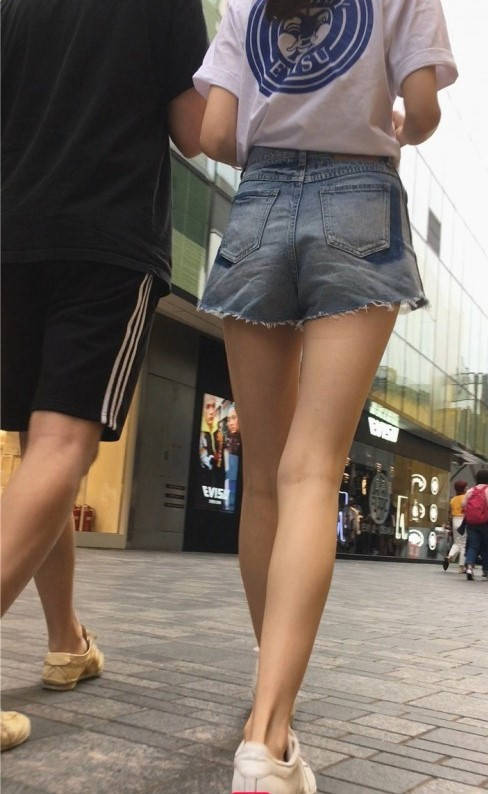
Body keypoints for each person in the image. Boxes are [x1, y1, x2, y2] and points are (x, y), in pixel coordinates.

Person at [193, 0, 457, 789]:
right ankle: (266, 741)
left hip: (259, 204)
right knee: (312, 471)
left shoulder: (244, 6)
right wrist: (397, 125)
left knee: (265, 479)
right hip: (359, 194)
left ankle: (267, 707)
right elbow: (424, 110)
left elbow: (214, 132)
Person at [1, 0, 207, 751]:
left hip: (14, 237)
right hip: (106, 237)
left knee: (39, 451)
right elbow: (195, 130)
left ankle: (66, 641)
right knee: (64, 447)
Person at [462, 469, 488, 581]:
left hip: (471, 523)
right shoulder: (487, 490)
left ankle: (469, 567)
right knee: (486, 547)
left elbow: (463, 504)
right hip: (485, 523)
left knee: (473, 546)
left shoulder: (471, 490)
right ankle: (485, 570)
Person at [443, 480, 468, 573]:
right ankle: (461, 567)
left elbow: (450, 513)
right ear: (463, 488)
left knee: (457, 542)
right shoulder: (465, 497)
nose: (467, 488)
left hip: (455, 520)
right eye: (466, 487)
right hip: (463, 520)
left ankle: (449, 556)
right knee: (464, 544)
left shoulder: (453, 499)